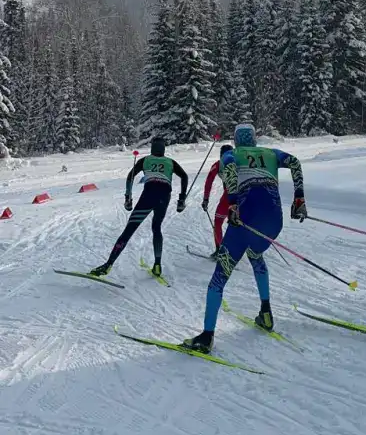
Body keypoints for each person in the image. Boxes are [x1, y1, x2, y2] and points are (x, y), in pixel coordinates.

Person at [185, 123, 307, 354]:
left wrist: (232, 202)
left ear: (236, 139)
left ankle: (206, 336)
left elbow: (229, 169)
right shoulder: (271, 153)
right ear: (254, 139)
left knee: (219, 276)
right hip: (273, 221)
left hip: (245, 216)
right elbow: (294, 162)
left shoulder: (232, 154)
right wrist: (299, 198)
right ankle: (266, 313)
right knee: (256, 255)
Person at [90, 136, 188, 279]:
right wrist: (181, 199)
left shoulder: (145, 160)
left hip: (148, 196)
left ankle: (108, 265)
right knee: (156, 228)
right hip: (164, 197)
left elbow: (130, 176)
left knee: (128, 231)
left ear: (152, 148)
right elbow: (184, 176)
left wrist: (128, 198)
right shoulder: (170, 162)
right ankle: (157, 265)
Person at [201, 144, 233, 260]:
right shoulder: (240, 162)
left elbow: (209, 181)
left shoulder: (218, 164)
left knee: (218, 221)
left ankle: (220, 250)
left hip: (229, 195)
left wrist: (206, 199)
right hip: (245, 196)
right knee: (241, 223)